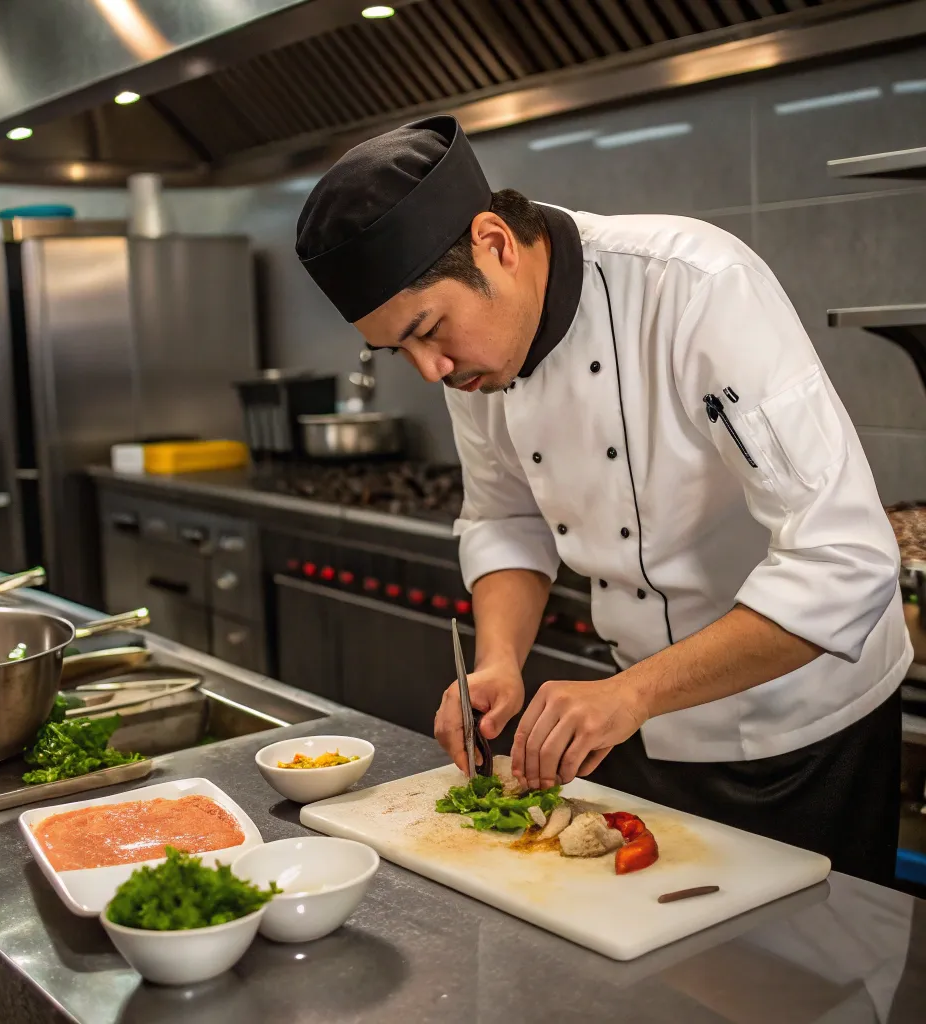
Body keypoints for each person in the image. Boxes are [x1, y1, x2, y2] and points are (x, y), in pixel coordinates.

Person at [294, 114, 912, 885]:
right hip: (642, 720)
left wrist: (632, 693)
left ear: (494, 243)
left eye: (429, 330)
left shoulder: (695, 288)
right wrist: (498, 663)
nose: (430, 369)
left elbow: (846, 559)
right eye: (401, 350)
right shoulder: (475, 358)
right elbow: (506, 517)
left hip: (805, 726)